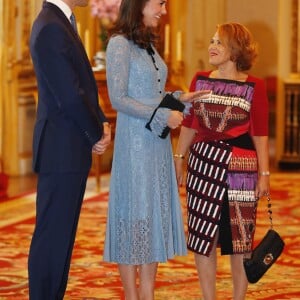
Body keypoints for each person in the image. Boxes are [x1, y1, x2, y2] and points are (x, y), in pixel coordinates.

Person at [103, 0, 209, 299]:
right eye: (160, 3)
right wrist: (164, 114)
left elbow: (153, 94)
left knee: (149, 217)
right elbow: (119, 99)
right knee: (132, 216)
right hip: (134, 147)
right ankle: (132, 295)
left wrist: (181, 98)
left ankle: (147, 293)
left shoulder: (146, 43)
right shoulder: (119, 44)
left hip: (157, 143)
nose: (164, 9)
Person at [174, 22, 270, 300]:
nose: (212, 46)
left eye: (220, 42)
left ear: (236, 50)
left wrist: (264, 174)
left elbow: (260, 133)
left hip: (241, 168)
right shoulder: (200, 79)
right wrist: (179, 158)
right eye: (212, 40)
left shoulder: (254, 85)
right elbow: (190, 123)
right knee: (204, 238)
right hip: (203, 165)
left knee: (240, 241)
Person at [28, 0, 111, 299]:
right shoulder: (51, 27)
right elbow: (69, 96)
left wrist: (101, 120)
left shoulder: (62, 22)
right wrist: (94, 133)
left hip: (68, 147)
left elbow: (83, 85)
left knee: (61, 237)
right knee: (52, 237)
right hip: (61, 148)